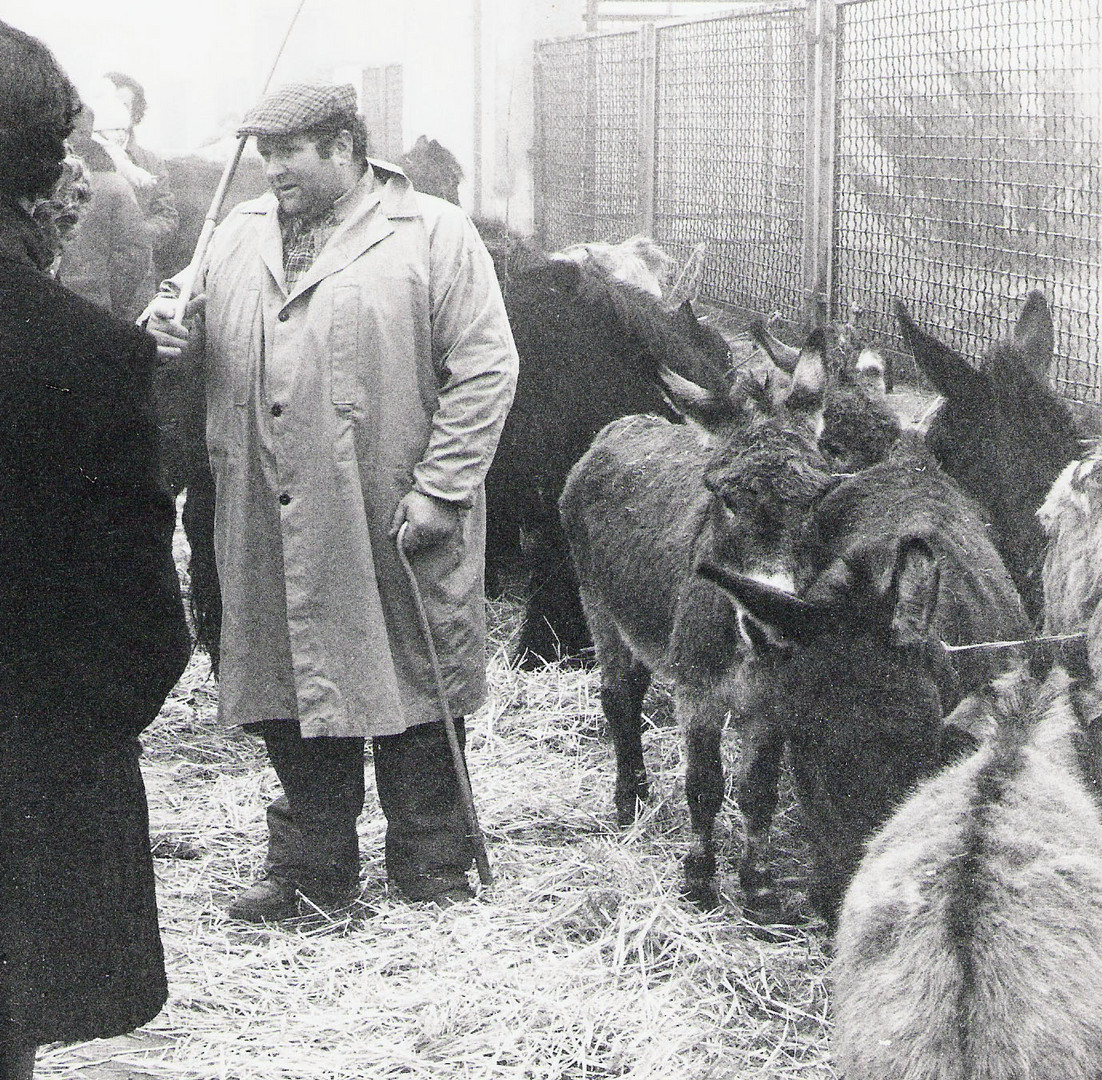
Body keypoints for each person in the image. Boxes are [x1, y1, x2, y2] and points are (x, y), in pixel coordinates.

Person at [146, 81, 519, 921]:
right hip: (265, 508)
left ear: (346, 146)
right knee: (292, 691)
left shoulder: (432, 234)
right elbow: (177, 333)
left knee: (412, 685)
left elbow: (487, 369)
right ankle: (311, 872)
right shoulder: (234, 238)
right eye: (266, 152)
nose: (272, 167)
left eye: (291, 152)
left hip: (387, 512)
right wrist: (169, 330)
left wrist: (442, 488)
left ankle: (433, 868)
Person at [0, 20, 192, 1080]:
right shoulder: (89, 358)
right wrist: (51, 755)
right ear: (39, 174)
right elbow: (139, 630)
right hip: (23, 796)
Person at [55, 105, 153, 320]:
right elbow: (134, 256)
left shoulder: (33, 178)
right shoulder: (114, 184)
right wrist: (114, 305)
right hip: (91, 308)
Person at [97, 71, 180, 296]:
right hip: (90, 278)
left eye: (124, 106)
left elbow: (167, 217)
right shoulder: (81, 157)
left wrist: (137, 234)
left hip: (135, 279)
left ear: (135, 114)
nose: (114, 112)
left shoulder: (150, 163)